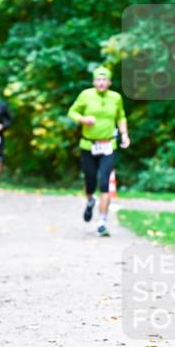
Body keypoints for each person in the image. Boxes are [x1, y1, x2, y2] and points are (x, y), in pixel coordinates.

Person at [67, 67, 129, 237]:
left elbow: (121, 117)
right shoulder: (86, 95)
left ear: (109, 82)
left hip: (108, 146)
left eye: (104, 80)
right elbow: (72, 112)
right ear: (94, 82)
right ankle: (90, 200)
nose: (101, 82)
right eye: (98, 80)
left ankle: (102, 222)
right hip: (88, 146)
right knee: (90, 182)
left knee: (104, 183)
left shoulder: (115, 98)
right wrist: (83, 119)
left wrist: (124, 134)